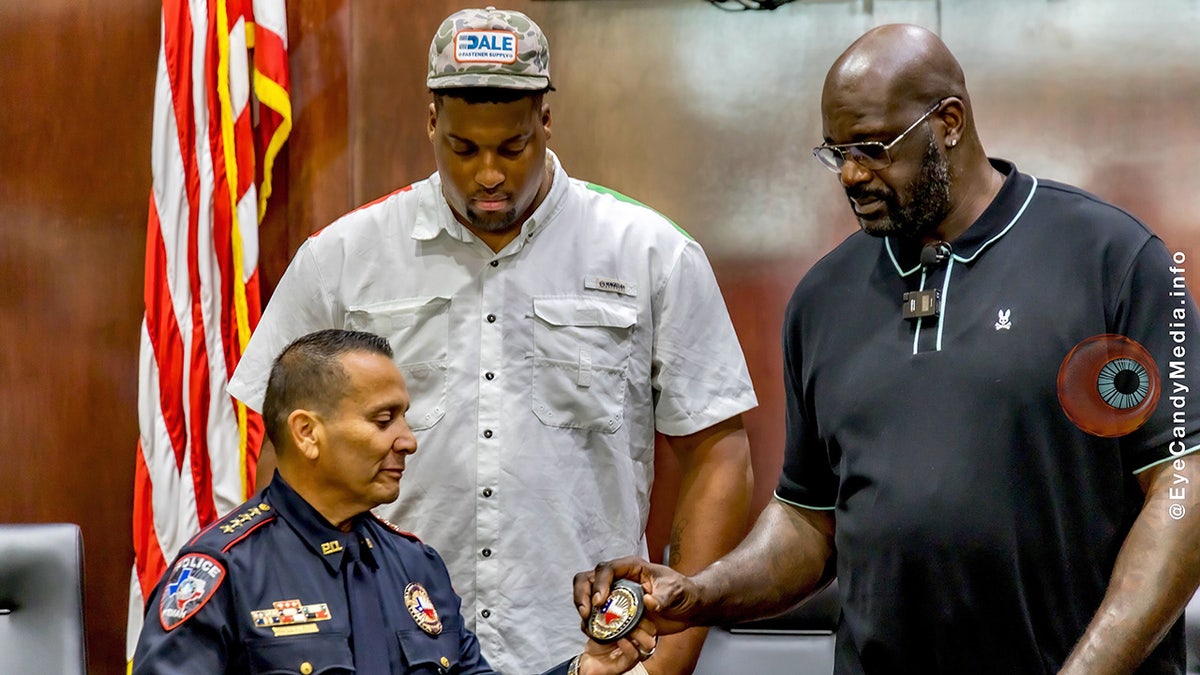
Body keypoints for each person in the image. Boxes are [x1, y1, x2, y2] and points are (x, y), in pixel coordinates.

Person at [575, 23, 1200, 674]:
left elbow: (1186, 490)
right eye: (835, 152)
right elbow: (807, 524)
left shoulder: (1111, 261)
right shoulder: (824, 298)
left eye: (873, 148)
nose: (850, 173)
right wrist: (700, 591)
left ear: (949, 122)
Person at [226, 8, 757, 673]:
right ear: (430, 123)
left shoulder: (651, 255)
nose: (488, 175)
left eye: (511, 147)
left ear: (546, 122)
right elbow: (286, 458)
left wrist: (669, 655)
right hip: (382, 649)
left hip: (589, 650)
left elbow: (720, 456)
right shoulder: (341, 260)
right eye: (462, 147)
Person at [132, 329, 657, 674]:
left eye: (404, 417)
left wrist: (583, 670)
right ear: (307, 433)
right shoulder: (224, 573)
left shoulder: (414, 565)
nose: (408, 439)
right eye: (384, 420)